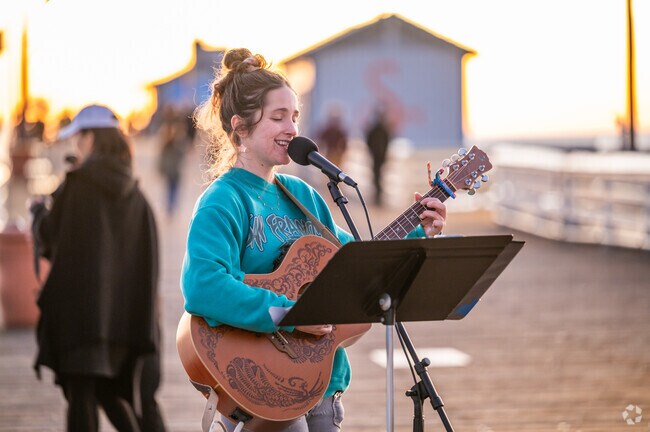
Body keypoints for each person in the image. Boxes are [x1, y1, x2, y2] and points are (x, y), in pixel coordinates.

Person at [181, 48, 447, 432]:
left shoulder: (303, 197)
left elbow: (355, 261)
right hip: (261, 388)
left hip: (323, 388)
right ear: (240, 127)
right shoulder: (224, 200)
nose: (292, 129)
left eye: (295, 117)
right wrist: (292, 317)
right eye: (278, 117)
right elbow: (203, 286)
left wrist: (419, 229)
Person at [30, 104, 166, 432]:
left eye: (78, 139)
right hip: (124, 322)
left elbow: (50, 237)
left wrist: (37, 213)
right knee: (112, 393)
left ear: (90, 138)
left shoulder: (77, 185)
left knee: (81, 398)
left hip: (81, 320)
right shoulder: (136, 193)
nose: (76, 146)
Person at [365, 107, 392, 206]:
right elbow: (369, 141)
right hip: (376, 157)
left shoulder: (383, 130)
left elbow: (387, 143)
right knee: (376, 177)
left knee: (379, 177)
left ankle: (379, 197)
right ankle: (377, 197)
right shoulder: (377, 130)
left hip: (380, 157)